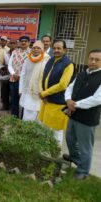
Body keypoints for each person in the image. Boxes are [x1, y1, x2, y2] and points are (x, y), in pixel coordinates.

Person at [63, 49, 101, 180]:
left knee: (85, 146)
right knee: (70, 139)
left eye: (97, 60)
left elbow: (97, 99)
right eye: (91, 59)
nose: (93, 62)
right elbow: (70, 88)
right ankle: (76, 158)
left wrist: (75, 104)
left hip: (88, 118)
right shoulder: (81, 73)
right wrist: (68, 100)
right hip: (73, 114)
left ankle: (83, 171)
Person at [38, 40, 74, 146]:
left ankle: (56, 155)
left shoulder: (68, 64)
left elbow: (63, 85)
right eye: (55, 48)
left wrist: (45, 93)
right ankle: (45, 151)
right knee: (45, 126)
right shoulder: (51, 60)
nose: (56, 50)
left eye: (59, 48)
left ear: (65, 50)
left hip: (58, 103)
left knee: (56, 130)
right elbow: (42, 77)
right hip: (46, 101)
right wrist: (42, 92)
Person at [19, 41, 50, 120]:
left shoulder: (47, 60)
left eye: (38, 48)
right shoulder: (27, 59)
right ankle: (27, 131)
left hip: (39, 91)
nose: (36, 49)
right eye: (34, 48)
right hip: (28, 91)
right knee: (27, 113)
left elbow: (48, 77)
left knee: (38, 114)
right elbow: (23, 74)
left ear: (42, 49)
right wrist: (21, 89)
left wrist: (45, 92)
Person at [8, 36, 31, 117]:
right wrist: (13, 74)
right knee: (14, 99)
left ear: (29, 42)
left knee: (24, 99)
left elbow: (30, 68)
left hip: (25, 81)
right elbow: (10, 64)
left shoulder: (31, 53)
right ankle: (14, 117)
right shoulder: (15, 51)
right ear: (19, 42)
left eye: (25, 41)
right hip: (13, 79)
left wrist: (20, 76)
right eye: (22, 41)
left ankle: (22, 118)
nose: (23, 42)